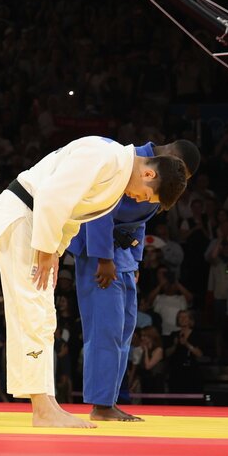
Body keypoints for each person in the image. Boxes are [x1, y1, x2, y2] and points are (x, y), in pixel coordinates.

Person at [0, 135, 187, 427]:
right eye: (147, 195)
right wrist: (47, 249)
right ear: (149, 173)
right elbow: (51, 196)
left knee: (43, 317)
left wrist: (56, 250)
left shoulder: (116, 178)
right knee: (33, 312)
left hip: (39, 226)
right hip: (26, 217)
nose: (140, 201)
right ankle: (42, 409)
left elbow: (73, 218)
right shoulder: (105, 156)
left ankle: (46, 403)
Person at [72, 139, 200, 421]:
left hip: (124, 256)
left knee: (125, 328)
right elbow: (99, 208)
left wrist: (135, 260)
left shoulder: (160, 175)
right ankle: (101, 404)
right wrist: (104, 258)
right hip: (98, 252)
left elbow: (140, 222)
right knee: (106, 327)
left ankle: (111, 400)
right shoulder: (125, 161)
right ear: (169, 156)